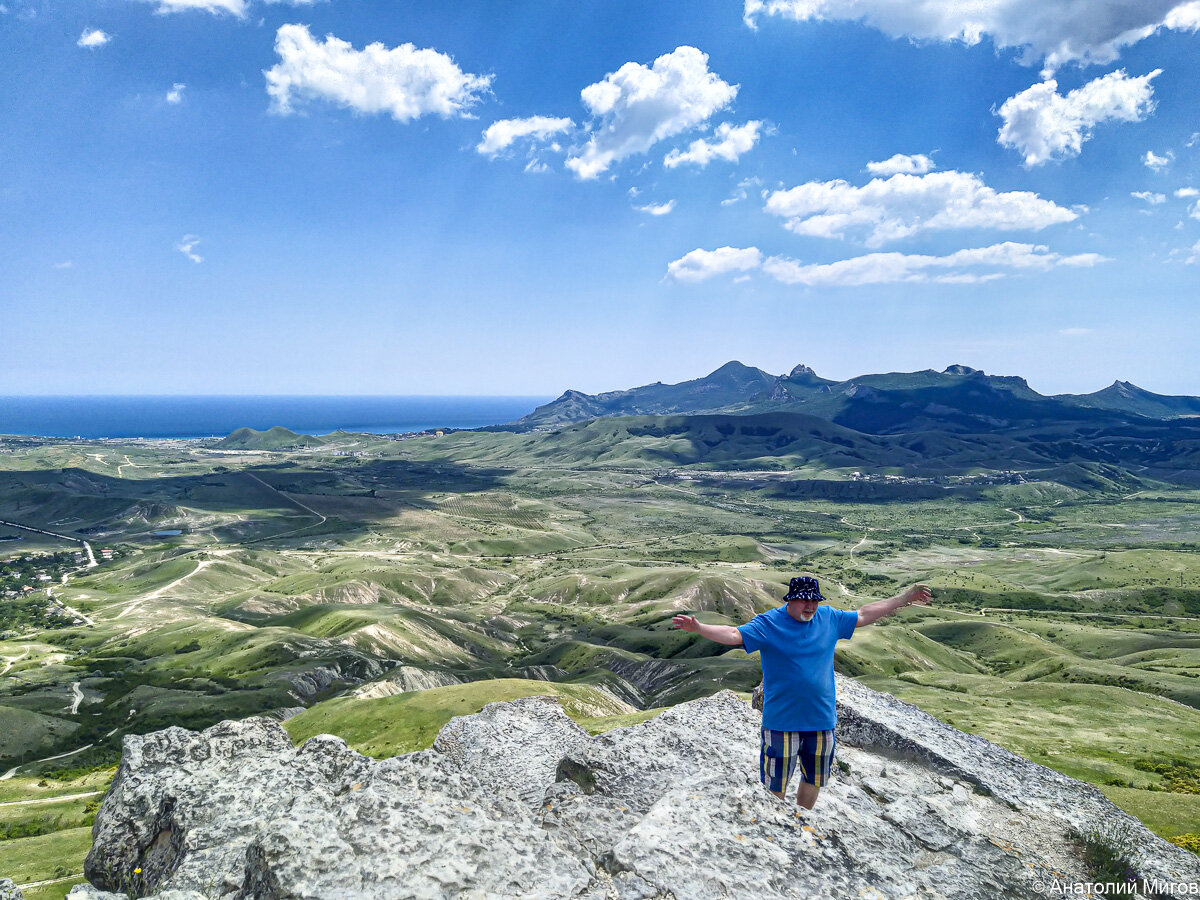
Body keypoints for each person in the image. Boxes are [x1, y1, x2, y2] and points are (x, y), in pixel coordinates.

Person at [671, 575, 931, 809]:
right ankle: (773, 824)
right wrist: (700, 629)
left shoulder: (828, 618)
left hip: (821, 720)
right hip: (782, 722)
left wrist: (904, 598)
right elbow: (733, 634)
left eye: (814, 601)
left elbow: (863, 614)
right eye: (804, 601)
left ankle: (801, 821)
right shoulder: (769, 623)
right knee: (775, 783)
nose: (810, 606)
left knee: (815, 777)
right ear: (790, 601)